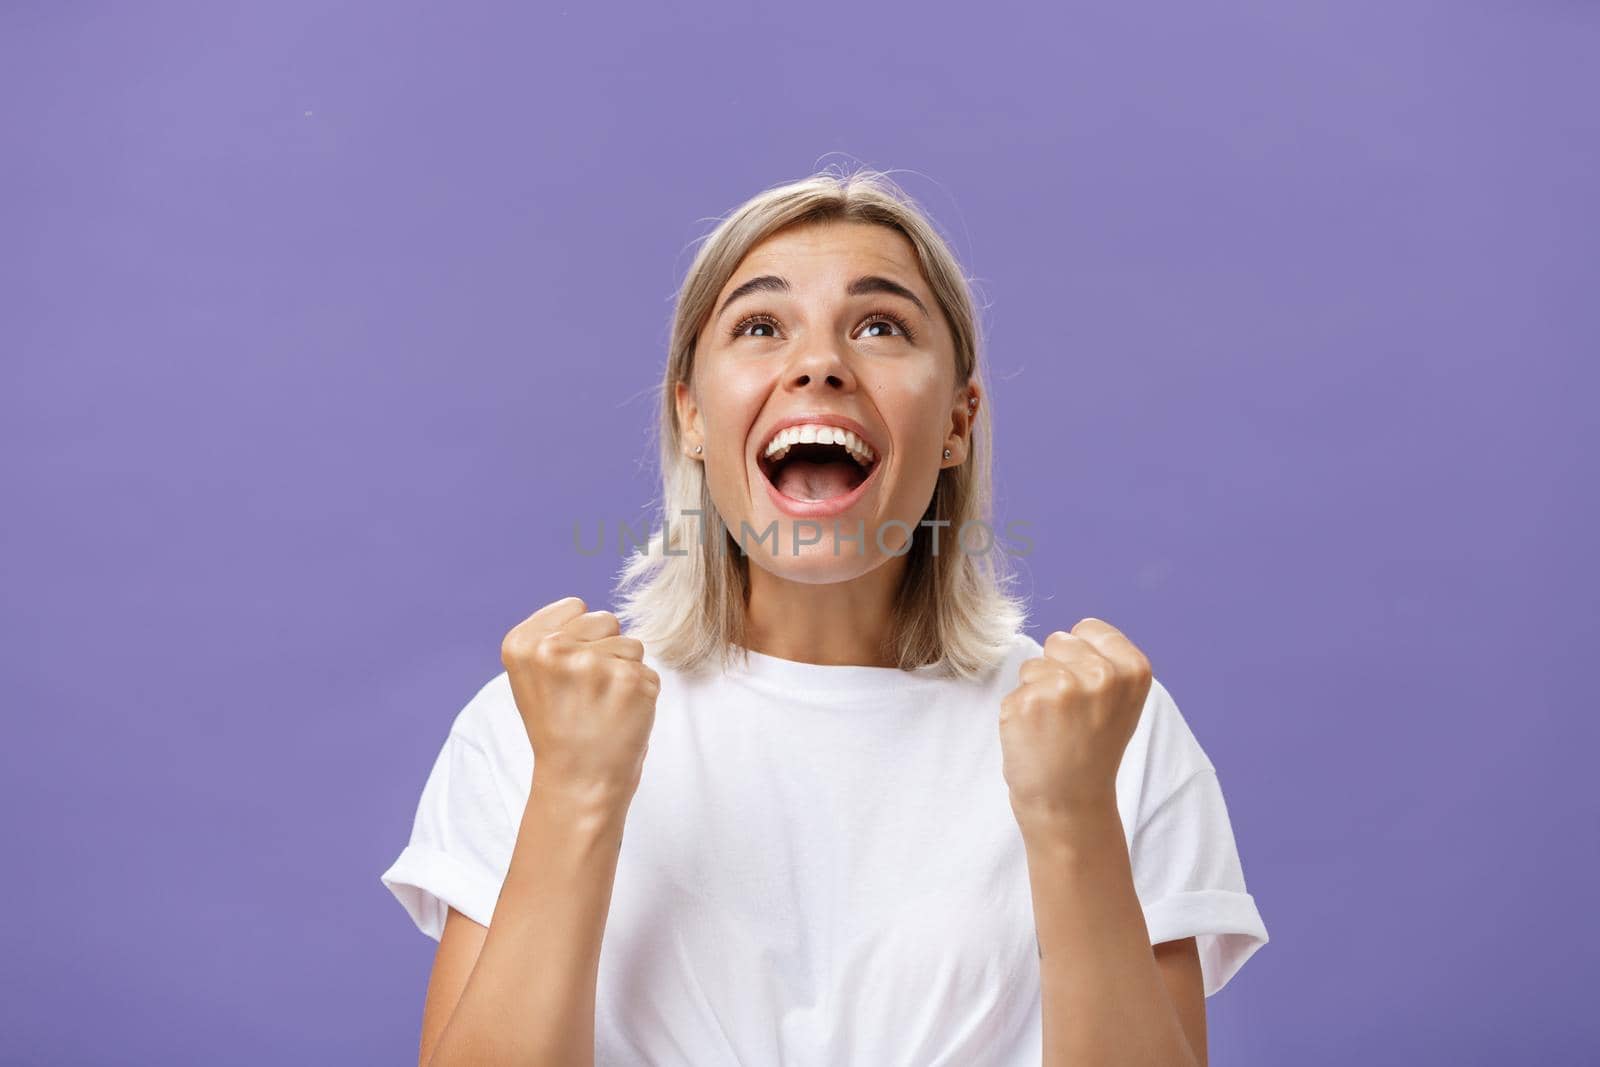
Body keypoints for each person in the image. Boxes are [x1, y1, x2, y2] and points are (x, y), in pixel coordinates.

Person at [379, 167, 1268, 1066]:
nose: (820, 363)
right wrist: (572, 790)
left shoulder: (1114, 733)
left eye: (880, 326)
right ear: (691, 413)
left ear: (959, 422)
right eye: (761, 326)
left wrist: (1075, 813)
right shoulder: (533, 727)